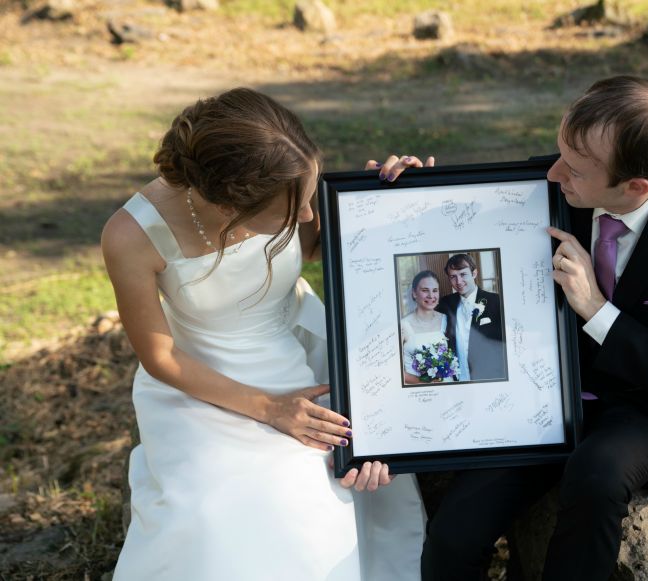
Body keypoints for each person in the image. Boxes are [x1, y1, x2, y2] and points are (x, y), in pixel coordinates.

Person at [370, 75, 648, 580]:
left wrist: (596, 309)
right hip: (534, 404)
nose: (553, 174)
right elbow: (452, 219)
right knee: (453, 535)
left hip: (637, 413)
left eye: (573, 169)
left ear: (636, 186)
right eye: (558, 154)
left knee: (597, 478)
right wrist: (409, 189)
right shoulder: (544, 186)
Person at [103, 88, 425, 581]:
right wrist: (273, 409)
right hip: (199, 381)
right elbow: (160, 357)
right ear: (231, 203)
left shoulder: (289, 193)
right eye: (293, 210)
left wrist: (394, 196)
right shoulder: (130, 236)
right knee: (221, 513)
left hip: (302, 352)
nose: (308, 218)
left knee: (324, 491)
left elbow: (322, 245)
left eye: (311, 199)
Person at [434, 253, 507, 382]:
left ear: (474, 273)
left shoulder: (497, 302)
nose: (458, 282)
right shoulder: (444, 304)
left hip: (491, 378)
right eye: (453, 277)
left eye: (463, 274)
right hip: (458, 379)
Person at [400, 270, 457, 384]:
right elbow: (395, 371)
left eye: (435, 290)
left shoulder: (447, 320)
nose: (431, 295)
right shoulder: (403, 325)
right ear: (414, 293)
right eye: (425, 290)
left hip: (448, 388)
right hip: (420, 392)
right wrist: (425, 382)